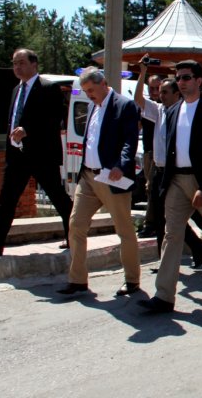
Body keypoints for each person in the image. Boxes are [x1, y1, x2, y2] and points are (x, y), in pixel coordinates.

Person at [137, 60, 202, 313]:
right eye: (179, 78)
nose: (181, 82)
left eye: (186, 77)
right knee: (172, 235)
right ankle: (163, 296)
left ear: (198, 81)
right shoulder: (172, 111)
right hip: (175, 181)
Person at [0, 49, 74, 256]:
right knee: (7, 197)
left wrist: (28, 130)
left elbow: (54, 119)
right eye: (15, 63)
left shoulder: (48, 88)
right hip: (18, 155)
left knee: (58, 197)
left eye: (22, 63)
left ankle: (74, 235)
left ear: (34, 64)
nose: (17, 67)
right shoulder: (16, 90)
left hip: (41, 154)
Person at [57, 67, 140, 297]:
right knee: (76, 225)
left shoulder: (124, 105)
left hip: (111, 178)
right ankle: (78, 281)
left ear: (104, 84)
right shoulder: (93, 106)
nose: (89, 95)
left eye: (91, 90)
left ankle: (132, 280)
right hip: (88, 177)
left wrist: (120, 165)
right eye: (85, 91)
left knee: (124, 230)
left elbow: (129, 141)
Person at [133, 57, 202, 269]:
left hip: (179, 172)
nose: (160, 95)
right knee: (160, 219)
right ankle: (169, 258)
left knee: (195, 216)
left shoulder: (187, 112)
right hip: (159, 171)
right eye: (159, 92)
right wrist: (143, 71)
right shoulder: (158, 111)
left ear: (177, 94)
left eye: (165, 92)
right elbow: (139, 98)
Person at [137, 74, 163, 239]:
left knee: (153, 189)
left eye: (157, 88)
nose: (154, 91)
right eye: (151, 88)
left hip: (162, 155)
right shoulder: (148, 108)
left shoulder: (165, 108)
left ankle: (151, 224)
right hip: (149, 152)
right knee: (150, 190)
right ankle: (152, 223)